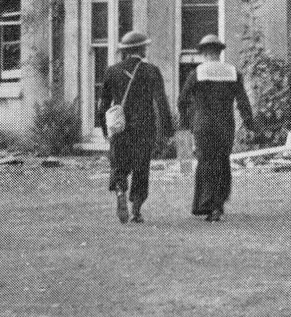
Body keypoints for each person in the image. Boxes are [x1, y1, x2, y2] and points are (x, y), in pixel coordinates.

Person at [96, 31, 175, 224]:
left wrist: (105, 129)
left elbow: (103, 104)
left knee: (120, 165)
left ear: (125, 51)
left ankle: (121, 190)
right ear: (141, 49)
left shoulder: (111, 71)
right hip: (144, 128)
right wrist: (167, 130)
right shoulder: (152, 71)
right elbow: (161, 102)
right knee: (141, 168)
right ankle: (136, 210)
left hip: (120, 128)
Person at [177, 34, 256, 222]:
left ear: (204, 53)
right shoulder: (233, 73)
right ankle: (218, 205)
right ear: (220, 52)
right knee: (222, 161)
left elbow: (182, 101)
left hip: (203, 124)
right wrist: (250, 123)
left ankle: (206, 204)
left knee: (205, 162)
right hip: (225, 124)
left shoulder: (197, 73)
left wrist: (186, 122)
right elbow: (243, 102)